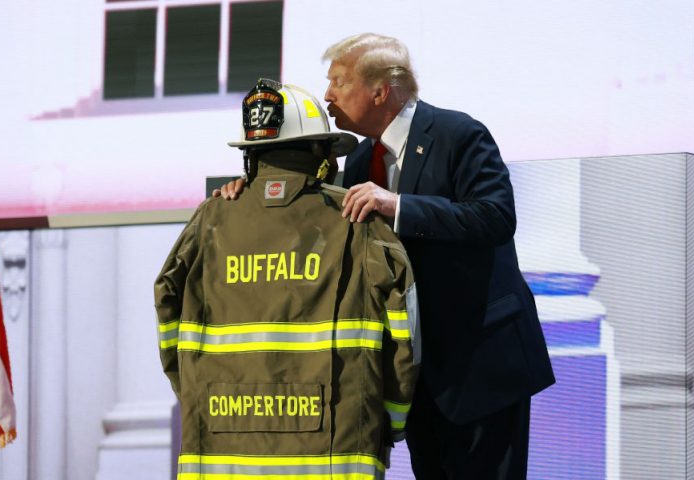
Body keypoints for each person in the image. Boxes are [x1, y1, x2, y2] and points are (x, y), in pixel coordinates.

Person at [218, 34, 555, 479]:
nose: (328, 95)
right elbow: (314, 229)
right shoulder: (358, 162)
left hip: (480, 368)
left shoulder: (459, 133)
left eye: (338, 81)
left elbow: (495, 217)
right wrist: (245, 195)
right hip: (416, 375)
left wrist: (399, 205)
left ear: (381, 90)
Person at [156, 79, 420, 479]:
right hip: (338, 452)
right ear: (318, 152)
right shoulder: (360, 225)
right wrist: (391, 422)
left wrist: (198, 394)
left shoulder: (208, 221)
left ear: (252, 156)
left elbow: (168, 311)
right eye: (329, 152)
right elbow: (406, 339)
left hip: (221, 446)